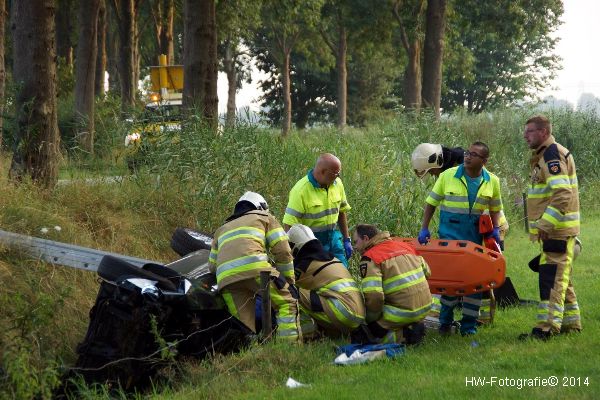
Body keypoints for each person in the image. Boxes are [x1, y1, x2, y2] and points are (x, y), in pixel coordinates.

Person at [418, 141, 503, 336]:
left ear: (484, 160)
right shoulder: (448, 175)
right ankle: (445, 324)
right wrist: (424, 228)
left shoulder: (492, 181)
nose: (467, 156)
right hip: (449, 240)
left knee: (474, 285)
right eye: (467, 153)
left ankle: (468, 327)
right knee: (450, 285)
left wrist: (495, 229)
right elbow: (431, 203)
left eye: (473, 154)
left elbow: (495, 208)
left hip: (474, 241)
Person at [519, 115, 581, 340]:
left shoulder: (551, 154)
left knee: (551, 278)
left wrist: (546, 223)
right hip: (557, 230)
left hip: (558, 230)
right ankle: (571, 324)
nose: (525, 136)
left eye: (530, 131)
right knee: (562, 277)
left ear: (544, 132)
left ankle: (546, 329)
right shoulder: (545, 154)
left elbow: (563, 193)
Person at [208, 191, 300, 342]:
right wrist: (289, 281)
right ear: (261, 207)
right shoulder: (264, 217)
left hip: (226, 281)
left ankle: (253, 357)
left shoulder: (221, 229)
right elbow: (283, 251)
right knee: (288, 301)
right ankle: (288, 349)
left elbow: (212, 266)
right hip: (257, 271)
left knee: (243, 327)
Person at [351, 224, 432, 345]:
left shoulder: (370, 258)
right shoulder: (406, 246)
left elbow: (374, 297)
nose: (354, 247)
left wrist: (370, 320)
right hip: (426, 306)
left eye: (356, 242)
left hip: (402, 312)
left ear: (366, 239)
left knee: (368, 335)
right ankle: (414, 325)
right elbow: (428, 273)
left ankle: (407, 336)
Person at [287, 224, 365, 338]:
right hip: (358, 317)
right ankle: (331, 333)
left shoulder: (305, 266)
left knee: (289, 291)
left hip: (344, 314)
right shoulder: (333, 258)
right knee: (316, 295)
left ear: (295, 246)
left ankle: (308, 334)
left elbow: (287, 281)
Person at [283, 153, 353, 267]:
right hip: (312, 243)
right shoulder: (300, 190)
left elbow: (341, 212)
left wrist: (346, 239)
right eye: (335, 173)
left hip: (333, 240)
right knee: (319, 278)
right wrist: (292, 254)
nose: (338, 176)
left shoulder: (337, 184)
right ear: (323, 172)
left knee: (342, 273)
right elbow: (289, 225)